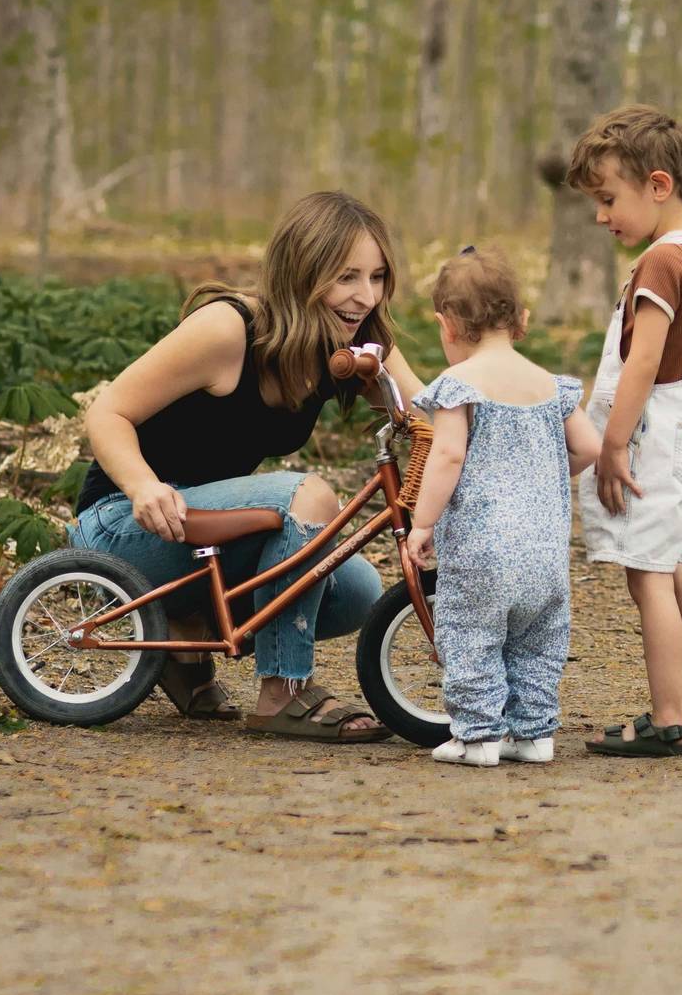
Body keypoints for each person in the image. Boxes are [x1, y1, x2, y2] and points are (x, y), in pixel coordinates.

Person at [69, 191, 423, 742]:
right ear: (302, 271)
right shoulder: (228, 329)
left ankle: (184, 640)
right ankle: (283, 692)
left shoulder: (355, 341)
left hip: (210, 539)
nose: (364, 296)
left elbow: (426, 413)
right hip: (127, 526)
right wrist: (143, 486)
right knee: (311, 496)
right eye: (347, 277)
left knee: (354, 586)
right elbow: (108, 411)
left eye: (377, 277)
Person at [567, 105, 682, 759]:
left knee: (649, 577)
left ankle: (668, 718)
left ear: (658, 186)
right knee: (679, 571)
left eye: (610, 198)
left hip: (660, 441)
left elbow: (644, 361)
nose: (603, 215)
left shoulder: (662, 265)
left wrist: (611, 444)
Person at [406, 248, 602, 766]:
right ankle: (534, 736)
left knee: (471, 636)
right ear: (523, 320)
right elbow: (588, 448)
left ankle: (476, 737)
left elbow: (447, 453)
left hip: (482, 552)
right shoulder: (551, 386)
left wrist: (421, 523)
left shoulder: (460, 386)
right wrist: (541, 479)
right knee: (537, 645)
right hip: (545, 555)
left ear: (446, 326)